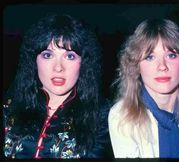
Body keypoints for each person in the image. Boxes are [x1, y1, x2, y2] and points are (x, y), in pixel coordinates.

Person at [3, 13, 113, 159]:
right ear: (34, 60)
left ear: (84, 62)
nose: (58, 68)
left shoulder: (104, 117)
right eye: (48, 55)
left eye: (70, 56)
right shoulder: (8, 107)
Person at [108, 18, 179, 158]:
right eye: (150, 57)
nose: (162, 66)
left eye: (171, 55)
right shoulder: (122, 116)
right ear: (136, 67)